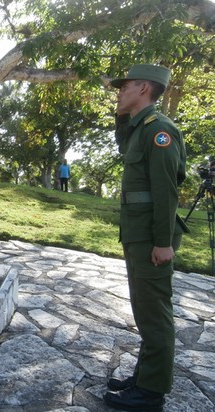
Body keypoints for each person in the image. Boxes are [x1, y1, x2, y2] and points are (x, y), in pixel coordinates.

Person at [103, 64, 188, 412]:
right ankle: (144, 376)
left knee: (154, 314)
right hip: (137, 233)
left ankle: (151, 393)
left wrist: (164, 241)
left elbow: (166, 191)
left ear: (143, 88)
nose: (119, 92)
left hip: (152, 236)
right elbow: (123, 142)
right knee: (144, 310)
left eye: (125, 87)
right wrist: (122, 113)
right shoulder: (140, 130)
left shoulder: (160, 131)